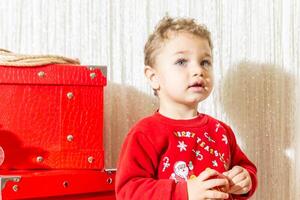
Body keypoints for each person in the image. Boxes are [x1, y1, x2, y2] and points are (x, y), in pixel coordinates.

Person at [115, 16, 257, 200]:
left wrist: (245, 179)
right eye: (182, 62)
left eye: (205, 62)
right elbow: (129, 192)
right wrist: (184, 192)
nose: (198, 70)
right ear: (153, 77)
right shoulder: (145, 133)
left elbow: (246, 168)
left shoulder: (221, 131)